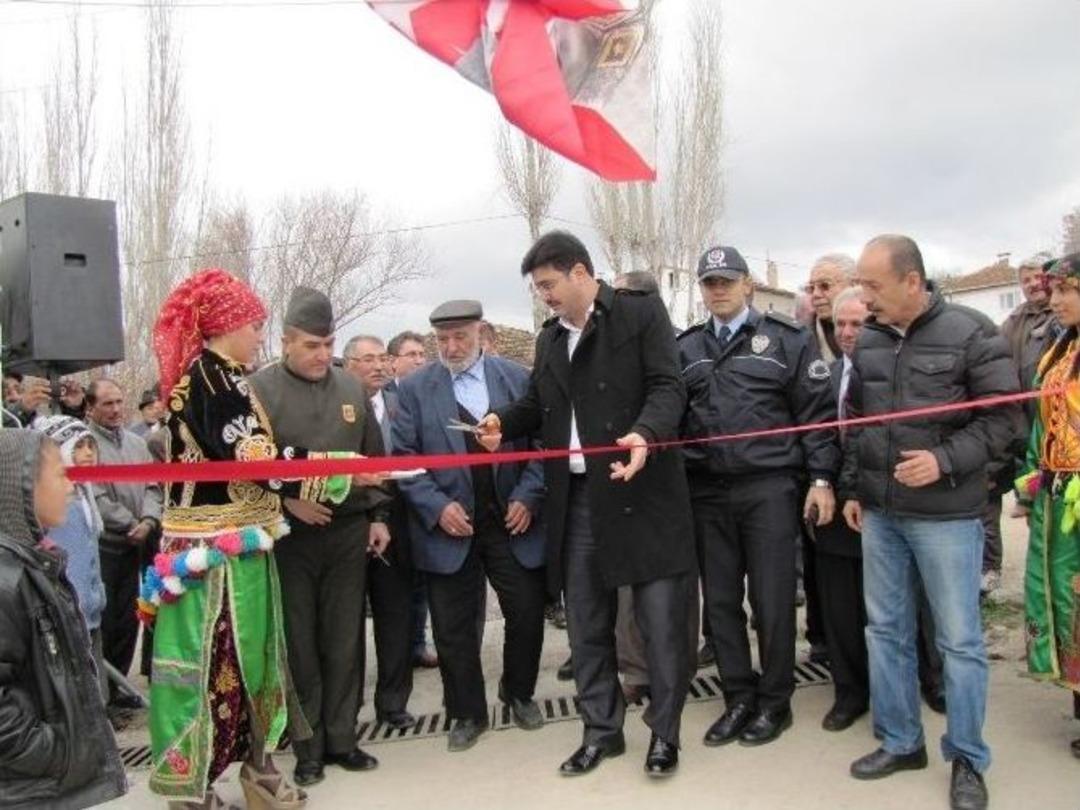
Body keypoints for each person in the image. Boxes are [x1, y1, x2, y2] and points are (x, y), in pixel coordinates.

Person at [478, 231, 696, 778]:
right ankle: (601, 731)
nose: (544, 296)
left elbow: (668, 387)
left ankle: (664, 734)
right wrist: (502, 422)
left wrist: (646, 433)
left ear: (580, 272)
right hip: (576, 501)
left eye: (549, 284)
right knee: (586, 624)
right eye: (537, 288)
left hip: (642, 492)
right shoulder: (551, 339)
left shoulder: (639, 315)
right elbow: (537, 404)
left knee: (661, 625)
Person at [840, 235, 1019, 810]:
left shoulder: (971, 333)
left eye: (873, 286)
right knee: (885, 630)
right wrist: (853, 487)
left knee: (958, 642)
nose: (864, 299)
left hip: (947, 516)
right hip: (881, 514)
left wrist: (943, 461)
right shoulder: (869, 340)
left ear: (912, 281)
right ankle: (901, 741)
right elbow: (857, 421)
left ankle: (967, 758)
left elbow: (1004, 421)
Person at [147, 268, 329, 808]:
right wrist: (341, 469)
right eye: (254, 325)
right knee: (210, 665)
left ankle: (259, 769)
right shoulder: (211, 382)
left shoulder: (226, 378)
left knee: (257, 660)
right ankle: (192, 788)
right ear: (227, 325)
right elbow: (256, 460)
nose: (259, 336)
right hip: (210, 558)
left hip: (242, 542)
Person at [679, 245, 839, 748]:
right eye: (710, 283)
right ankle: (738, 697)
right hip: (708, 492)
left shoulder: (786, 339)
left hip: (768, 489)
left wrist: (821, 480)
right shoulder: (686, 348)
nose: (718, 290)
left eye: (727, 281)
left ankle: (774, 701)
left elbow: (816, 417)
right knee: (721, 602)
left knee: (771, 600)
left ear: (747, 285)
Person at [251, 288, 392, 787]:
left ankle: (343, 739)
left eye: (328, 344)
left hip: (347, 531)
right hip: (290, 537)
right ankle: (307, 748)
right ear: (286, 342)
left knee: (345, 639)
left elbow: (374, 459)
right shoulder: (258, 391)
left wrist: (378, 516)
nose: (321, 355)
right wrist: (289, 501)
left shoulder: (351, 389)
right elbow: (248, 469)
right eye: (311, 345)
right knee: (300, 643)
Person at [393, 300, 547, 752]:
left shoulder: (516, 379)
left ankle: (518, 693)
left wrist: (528, 495)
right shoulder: (415, 389)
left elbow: (543, 444)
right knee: (453, 628)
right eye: (442, 339)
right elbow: (404, 459)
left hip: (509, 522)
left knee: (526, 612)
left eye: (460, 337)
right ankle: (466, 712)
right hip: (449, 527)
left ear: (480, 332)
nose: (451, 347)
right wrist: (437, 507)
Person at [0, 429, 127, 809]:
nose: (70, 487)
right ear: (22, 484)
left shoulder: (33, 563)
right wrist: (57, 753)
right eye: (59, 474)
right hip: (27, 788)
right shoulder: (7, 579)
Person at [610, 270, 700, 704]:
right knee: (628, 588)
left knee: (674, 586)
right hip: (622, 476)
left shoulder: (675, 345)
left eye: (623, 296)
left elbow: (678, 403)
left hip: (668, 479)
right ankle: (635, 670)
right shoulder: (605, 346)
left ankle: (676, 670)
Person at [1015, 252, 1080, 759]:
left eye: (1065, 290)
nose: (1054, 300)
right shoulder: (1062, 349)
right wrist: (1032, 480)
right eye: (1052, 290)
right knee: (1063, 595)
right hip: (1058, 498)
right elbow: (1042, 423)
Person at [343, 334, 418, 730]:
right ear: (348, 365)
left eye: (382, 358)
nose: (378, 366)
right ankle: (346, 707)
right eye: (367, 359)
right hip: (350, 523)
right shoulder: (336, 406)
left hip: (398, 523)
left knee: (396, 617)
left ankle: (393, 703)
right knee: (346, 625)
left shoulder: (399, 402)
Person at [85, 377, 163, 711]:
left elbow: (153, 487)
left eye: (119, 402)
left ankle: (118, 691)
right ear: (91, 407)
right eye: (107, 403)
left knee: (129, 620)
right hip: (104, 547)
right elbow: (95, 494)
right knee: (103, 621)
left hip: (137, 545)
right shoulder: (85, 445)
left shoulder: (136, 443)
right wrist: (129, 523)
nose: (116, 409)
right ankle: (100, 694)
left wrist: (148, 520)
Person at [812, 286, 870, 731]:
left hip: (878, 505)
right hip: (832, 505)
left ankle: (915, 682)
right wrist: (821, 483)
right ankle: (849, 692)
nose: (847, 333)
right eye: (840, 324)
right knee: (841, 609)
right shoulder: (826, 376)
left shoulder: (890, 373)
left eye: (857, 324)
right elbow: (816, 435)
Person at [32, 415, 109, 701]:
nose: (88, 453)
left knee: (96, 690)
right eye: (78, 447)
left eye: (91, 445)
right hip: (69, 613)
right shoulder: (54, 503)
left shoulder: (83, 494)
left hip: (90, 609)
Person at [386, 329, 439, 669]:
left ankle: (418, 643)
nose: (419, 360)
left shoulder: (429, 394)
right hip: (388, 503)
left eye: (422, 354)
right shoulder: (384, 397)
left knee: (422, 582)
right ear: (393, 362)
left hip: (422, 499)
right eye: (411, 355)